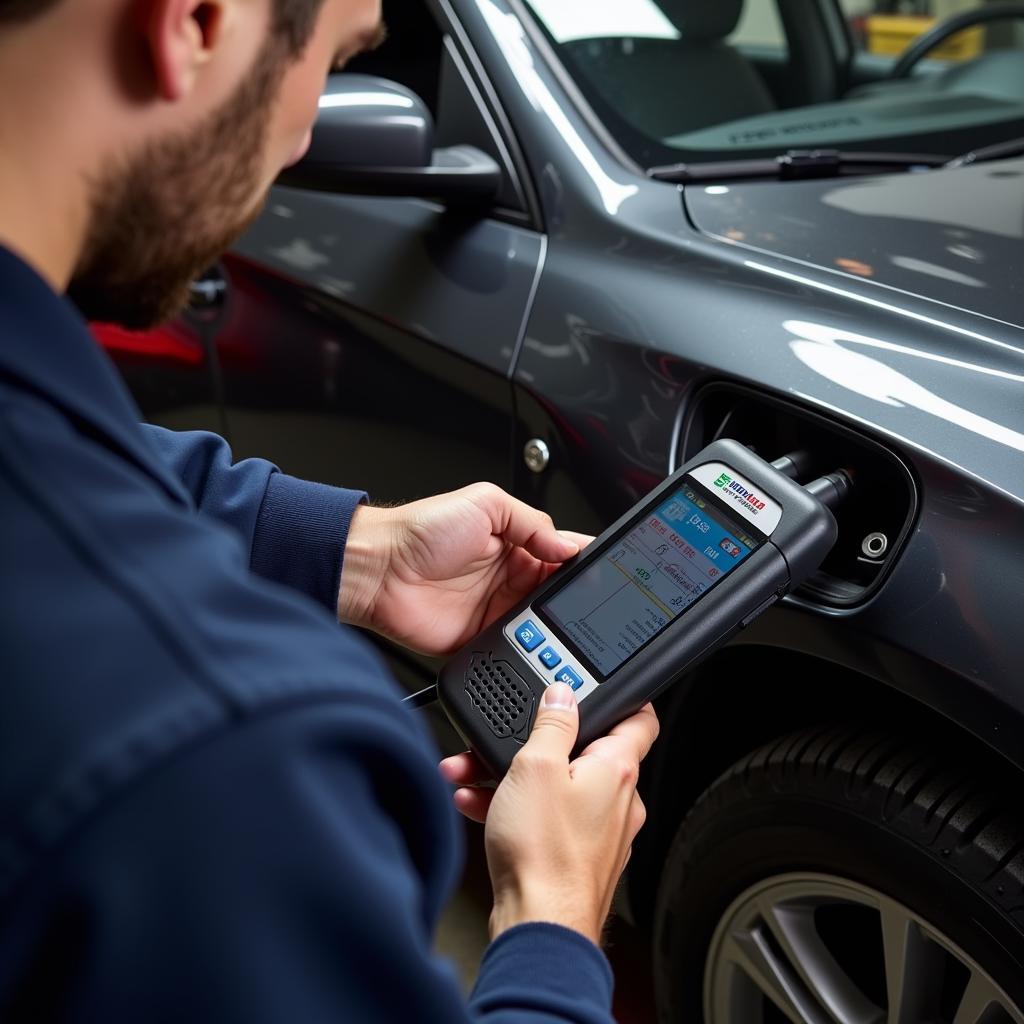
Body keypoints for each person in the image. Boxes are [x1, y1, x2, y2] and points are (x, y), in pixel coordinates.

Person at [0, 0, 660, 1019]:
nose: (304, 131)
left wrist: (356, 550)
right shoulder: (216, 750)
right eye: (336, 58)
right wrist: (552, 920)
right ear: (196, 22)